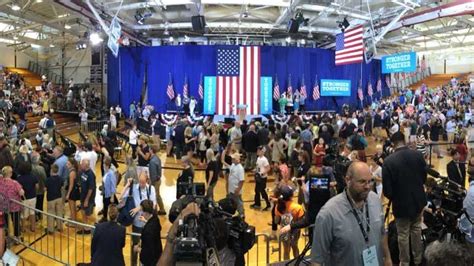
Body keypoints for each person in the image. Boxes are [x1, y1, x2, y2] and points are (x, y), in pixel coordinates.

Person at [311, 161, 392, 265]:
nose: (367, 186)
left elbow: (382, 233)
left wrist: (388, 258)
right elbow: (317, 260)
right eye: (362, 182)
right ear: (348, 180)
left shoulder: (375, 200)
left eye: (370, 181)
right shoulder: (328, 214)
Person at [383, 131, 426, 266]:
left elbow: (388, 191)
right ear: (405, 140)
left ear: (393, 143)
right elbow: (423, 178)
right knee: (416, 230)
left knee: (403, 235)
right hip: (418, 202)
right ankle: (418, 260)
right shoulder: (418, 155)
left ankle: (405, 262)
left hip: (401, 205)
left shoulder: (388, 161)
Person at [120, 173, 156, 266]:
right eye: (140, 182)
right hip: (136, 224)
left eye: (143, 182)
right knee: (134, 245)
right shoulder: (134, 188)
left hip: (147, 224)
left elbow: (153, 205)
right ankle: (133, 263)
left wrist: (139, 207)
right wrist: (127, 185)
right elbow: (121, 197)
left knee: (146, 246)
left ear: (147, 181)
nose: (141, 184)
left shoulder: (151, 189)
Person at [275, 185, 304, 260]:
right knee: (295, 247)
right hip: (295, 232)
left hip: (284, 231)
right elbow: (302, 222)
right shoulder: (298, 207)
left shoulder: (278, 206)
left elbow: (276, 221)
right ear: (292, 195)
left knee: (286, 251)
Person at [134, 199, 162, 266]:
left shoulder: (148, 231)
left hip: (149, 262)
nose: (141, 213)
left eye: (142, 211)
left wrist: (137, 249)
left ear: (146, 212)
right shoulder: (155, 219)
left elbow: (148, 252)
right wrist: (146, 221)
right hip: (157, 256)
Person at [0, 166, 24, 238]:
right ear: (10, 173)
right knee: (16, 222)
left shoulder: (1, 181)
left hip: (4, 205)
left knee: (5, 221)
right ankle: (17, 237)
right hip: (15, 206)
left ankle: (6, 235)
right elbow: (21, 193)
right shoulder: (14, 183)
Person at [16, 162, 39, 232]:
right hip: (33, 197)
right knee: (32, 212)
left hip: (24, 198)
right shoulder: (33, 176)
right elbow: (37, 186)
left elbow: (18, 189)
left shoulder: (19, 178)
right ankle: (33, 227)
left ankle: (23, 228)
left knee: (23, 214)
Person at [78, 159, 96, 235]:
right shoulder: (83, 172)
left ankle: (96, 225)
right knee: (83, 212)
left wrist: (86, 200)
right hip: (83, 196)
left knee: (88, 214)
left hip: (88, 198)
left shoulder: (91, 174)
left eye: (81, 164)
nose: (80, 165)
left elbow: (91, 188)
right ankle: (86, 228)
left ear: (86, 165)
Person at [45, 164, 64, 234]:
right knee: (59, 212)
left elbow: (45, 189)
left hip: (51, 198)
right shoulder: (60, 178)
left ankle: (51, 229)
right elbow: (62, 188)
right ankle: (60, 227)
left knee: (51, 213)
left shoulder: (48, 180)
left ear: (51, 170)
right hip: (59, 197)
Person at [250, 146, 271, 211]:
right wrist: (255, 170)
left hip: (262, 178)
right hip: (258, 177)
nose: (257, 151)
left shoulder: (264, 159)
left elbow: (268, 168)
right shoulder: (258, 158)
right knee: (256, 190)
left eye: (258, 150)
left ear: (262, 152)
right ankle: (257, 203)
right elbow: (258, 167)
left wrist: (262, 173)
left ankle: (268, 205)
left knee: (262, 191)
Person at [148, 144, 166, 215]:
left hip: (155, 182)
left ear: (151, 150)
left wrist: (150, 183)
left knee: (154, 196)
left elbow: (153, 175)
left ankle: (155, 211)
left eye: (149, 149)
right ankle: (162, 209)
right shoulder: (157, 158)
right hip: (158, 180)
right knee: (157, 195)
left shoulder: (152, 161)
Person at [100, 156, 117, 223]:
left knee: (108, 206)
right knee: (105, 204)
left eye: (104, 163)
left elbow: (113, 186)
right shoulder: (105, 171)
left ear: (106, 164)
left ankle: (107, 219)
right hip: (105, 193)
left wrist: (112, 197)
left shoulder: (111, 174)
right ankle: (105, 217)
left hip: (109, 194)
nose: (103, 165)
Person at [228, 152, 245, 218]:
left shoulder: (240, 168)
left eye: (233, 158)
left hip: (236, 189)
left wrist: (238, 189)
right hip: (231, 189)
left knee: (239, 203)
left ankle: (242, 214)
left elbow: (242, 180)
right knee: (233, 202)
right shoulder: (233, 165)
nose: (232, 159)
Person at [65, 158, 80, 224]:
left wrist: (68, 194)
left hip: (72, 191)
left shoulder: (72, 173)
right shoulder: (74, 170)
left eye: (68, 164)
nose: (66, 165)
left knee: (72, 207)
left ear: (72, 165)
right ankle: (73, 218)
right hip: (74, 190)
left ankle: (73, 222)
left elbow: (71, 185)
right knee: (73, 206)